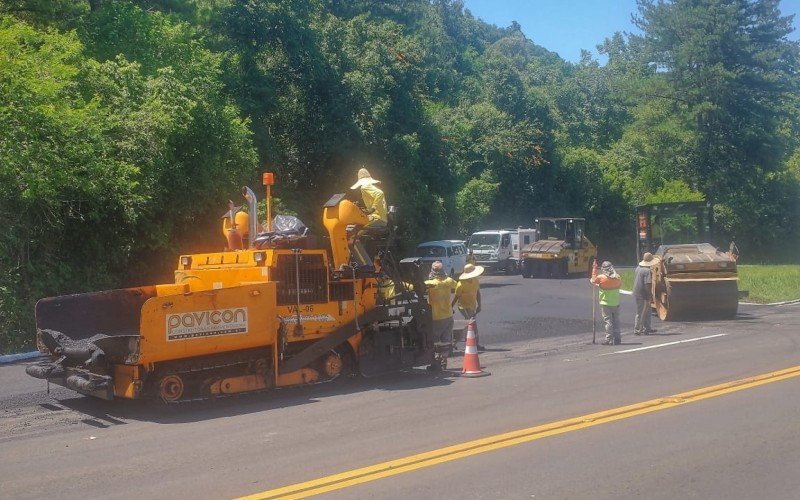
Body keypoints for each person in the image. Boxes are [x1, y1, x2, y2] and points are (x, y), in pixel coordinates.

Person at [424, 260, 457, 370]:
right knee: (446, 340)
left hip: (436, 317)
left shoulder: (430, 284)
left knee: (435, 341)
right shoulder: (449, 281)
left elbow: (417, 286)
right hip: (448, 315)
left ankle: (435, 363)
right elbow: (456, 285)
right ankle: (443, 362)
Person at [452, 263, 485, 351]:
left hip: (472, 306)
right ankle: (474, 344)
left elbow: (478, 293)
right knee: (472, 324)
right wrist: (450, 308)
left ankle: (465, 342)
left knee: (470, 325)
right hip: (463, 307)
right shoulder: (460, 284)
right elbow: (456, 297)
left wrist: (479, 305)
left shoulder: (475, 280)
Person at [590, 260, 622, 345]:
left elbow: (593, 280)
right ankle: (617, 338)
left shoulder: (602, 278)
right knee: (616, 321)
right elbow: (619, 285)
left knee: (608, 321)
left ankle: (609, 339)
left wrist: (594, 268)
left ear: (603, 269)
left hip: (606, 303)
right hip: (616, 303)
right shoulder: (618, 277)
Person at [633, 252, 659, 335]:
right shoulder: (647, 271)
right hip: (643, 293)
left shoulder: (638, 268)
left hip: (637, 291)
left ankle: (647, 328)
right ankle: (637, 329)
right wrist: (650, 295)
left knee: (647, 310)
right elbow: (647, 284)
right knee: (641, 312)